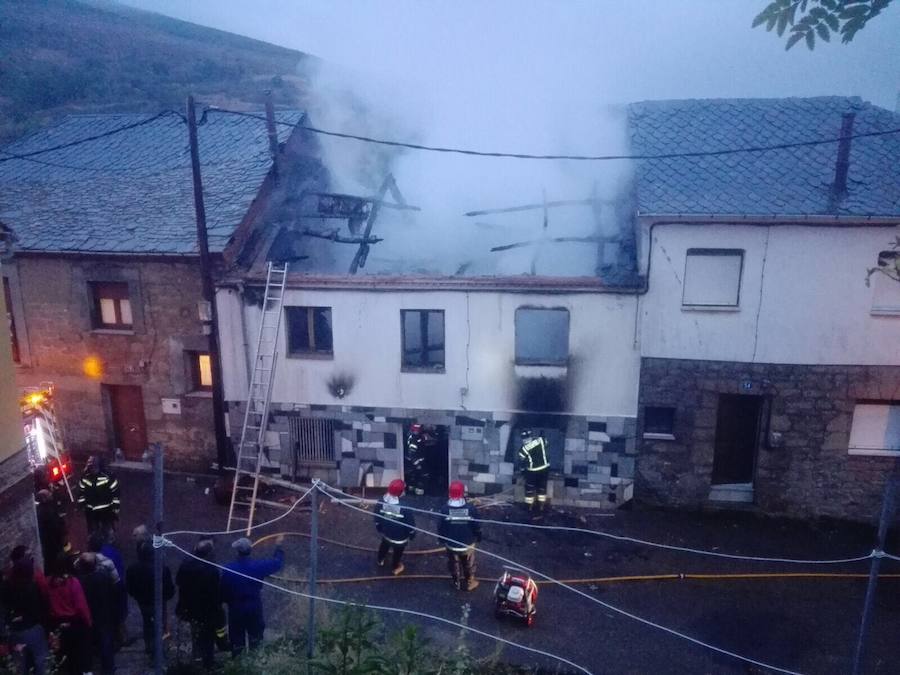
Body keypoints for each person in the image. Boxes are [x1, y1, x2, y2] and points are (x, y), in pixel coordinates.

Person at [220, 536, 284, 657]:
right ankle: (255, 663)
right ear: (250, 550)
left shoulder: (228, 569)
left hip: (236, 609)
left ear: (237, 551)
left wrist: (228, 601)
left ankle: (238, 665)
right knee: (256, 639)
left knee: (237, 641)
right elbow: (277, 563)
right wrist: (278, 547)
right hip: (254, 607)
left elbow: (222, 592)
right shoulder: (258, 566)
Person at [175, 539, 226, 670]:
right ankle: (208, 663)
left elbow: (178, 581)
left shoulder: (186, 565)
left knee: (194, 634)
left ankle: (194, 660)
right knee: (207, 637)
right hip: (206, 611)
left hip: (188, 608)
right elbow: (215, 593)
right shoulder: (211, 570)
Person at [1, 546, 50, 675]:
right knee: (41, 661)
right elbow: (42, 605)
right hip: (33, 628)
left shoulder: (6, 585)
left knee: (19, 666)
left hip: (15, 631)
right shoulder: (32, 587)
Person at [126, 540, 174, 660]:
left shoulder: (133, 568)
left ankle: (149, 646)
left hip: (142, 601)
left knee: (147, 623)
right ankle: (157, 651)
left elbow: (129, 587)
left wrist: (136, 596)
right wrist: (166, 597)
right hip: (158, 602)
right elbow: (169, 588)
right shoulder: (161, 568)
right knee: (159, 625)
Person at [45, 553, 92, 675]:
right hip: (74, 624)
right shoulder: (72, 582)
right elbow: (81, 605)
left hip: (57, 624)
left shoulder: (48, 582)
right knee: (76, 657)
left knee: (62, 659)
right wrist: (88, 622)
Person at [437, 481, 482, 591]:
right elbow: (476, 526)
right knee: (467, 563)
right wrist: (478, 536)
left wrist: (442, 540)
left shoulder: (444, 509)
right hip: (467, 545)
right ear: (463, 494)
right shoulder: (471, 509)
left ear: (450, 494)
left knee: (452, 562)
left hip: (450, 545)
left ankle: (456, 582)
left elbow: (441, 527)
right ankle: (469, 582)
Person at [76, 553, 115, 675]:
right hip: (103, 613)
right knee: (105, 641)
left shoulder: (79, 581)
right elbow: (112, 592)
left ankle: (90, 667)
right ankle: (108, 668)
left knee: (89, 642)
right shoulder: (103, 576)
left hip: (88, 615)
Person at [374, 479, 416, 576]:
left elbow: (377, 516)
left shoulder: (381, 501)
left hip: (386, 533)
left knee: (384, 545)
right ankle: (395, 566)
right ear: (400, 492)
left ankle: (380, 560)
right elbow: (410, 523)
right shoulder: (405, 507)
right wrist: (412, 534)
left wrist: (379, 527)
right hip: (400, 537)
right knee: (398, 552)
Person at [77, 456, 120, 535]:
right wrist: (82, 505)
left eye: (95, 467)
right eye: (91, 467)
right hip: (90, 511)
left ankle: (108, 541)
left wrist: (115, 508)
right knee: (92, 530)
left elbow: (116, 493)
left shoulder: (108, 476)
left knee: (107, 529)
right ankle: (94, 541)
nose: (93, 470)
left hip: (106, 510)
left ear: (99, 466)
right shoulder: (85, 477)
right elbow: (81, 492)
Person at [518, 429, 550, 517]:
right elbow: (546, 443)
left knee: (529, 490)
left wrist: (522, 470)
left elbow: (521, 460)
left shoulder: (523, 449)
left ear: (523, 438)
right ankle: (541, 507)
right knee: (542, 488)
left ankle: (529, 508)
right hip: (545, 469)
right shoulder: (541, 440)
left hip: (532, 472)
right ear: (531, 436)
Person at [35, 490, 69, 574]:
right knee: (56, 559)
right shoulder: (47, 511)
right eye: (48, 494)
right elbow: (55, 526)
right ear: (44, 498)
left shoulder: (43, 509)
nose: (51, 494)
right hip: (53, 542)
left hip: (50, 542)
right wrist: (62, 533)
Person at [404, 424, 428, 495]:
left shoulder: (417, 437)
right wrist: (417, 464)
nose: (417, 432)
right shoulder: (414, 439)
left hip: (415, 461)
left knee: (413, 476)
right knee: (423, 475)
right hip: (415, 462)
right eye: (416, 431)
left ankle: (412, 491)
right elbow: (411, 453)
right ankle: (419, 492)